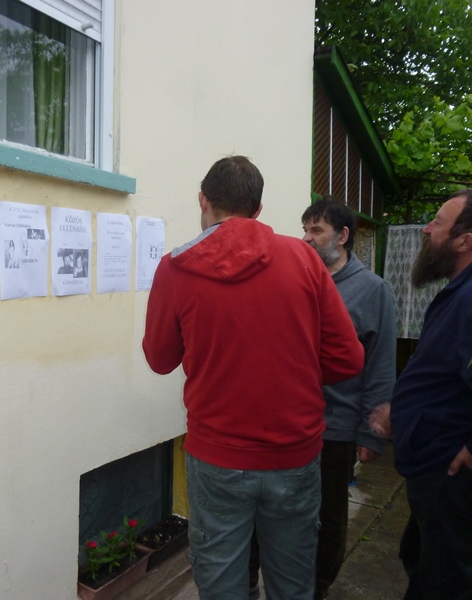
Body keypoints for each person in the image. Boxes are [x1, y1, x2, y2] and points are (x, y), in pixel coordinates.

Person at [142, 156, 364, 600]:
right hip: (295, 451)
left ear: (203, 200)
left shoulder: (175, 267)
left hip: (217, 453)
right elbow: (348, 358)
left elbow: (160, 359)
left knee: (222, 584)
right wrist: (292, 371)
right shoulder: (303, 258)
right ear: (258, 209)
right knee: (292, 583)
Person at [382, 189, 472, 599]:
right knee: (420, 557)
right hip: (439, 466)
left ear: (465, 241)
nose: (427, 229)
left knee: (445, 585)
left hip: (451, 471)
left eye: (438, 222)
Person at [300, 198, 396, 599]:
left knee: (329, 514)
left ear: (342, 236)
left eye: (316, 230)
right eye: (305, 229)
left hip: (336, 428)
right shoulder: (300, 279)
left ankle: (318, 587)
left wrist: (372, 432)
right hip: (293, 423)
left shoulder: (372, 290)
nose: (306, 238)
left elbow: (381, 364)